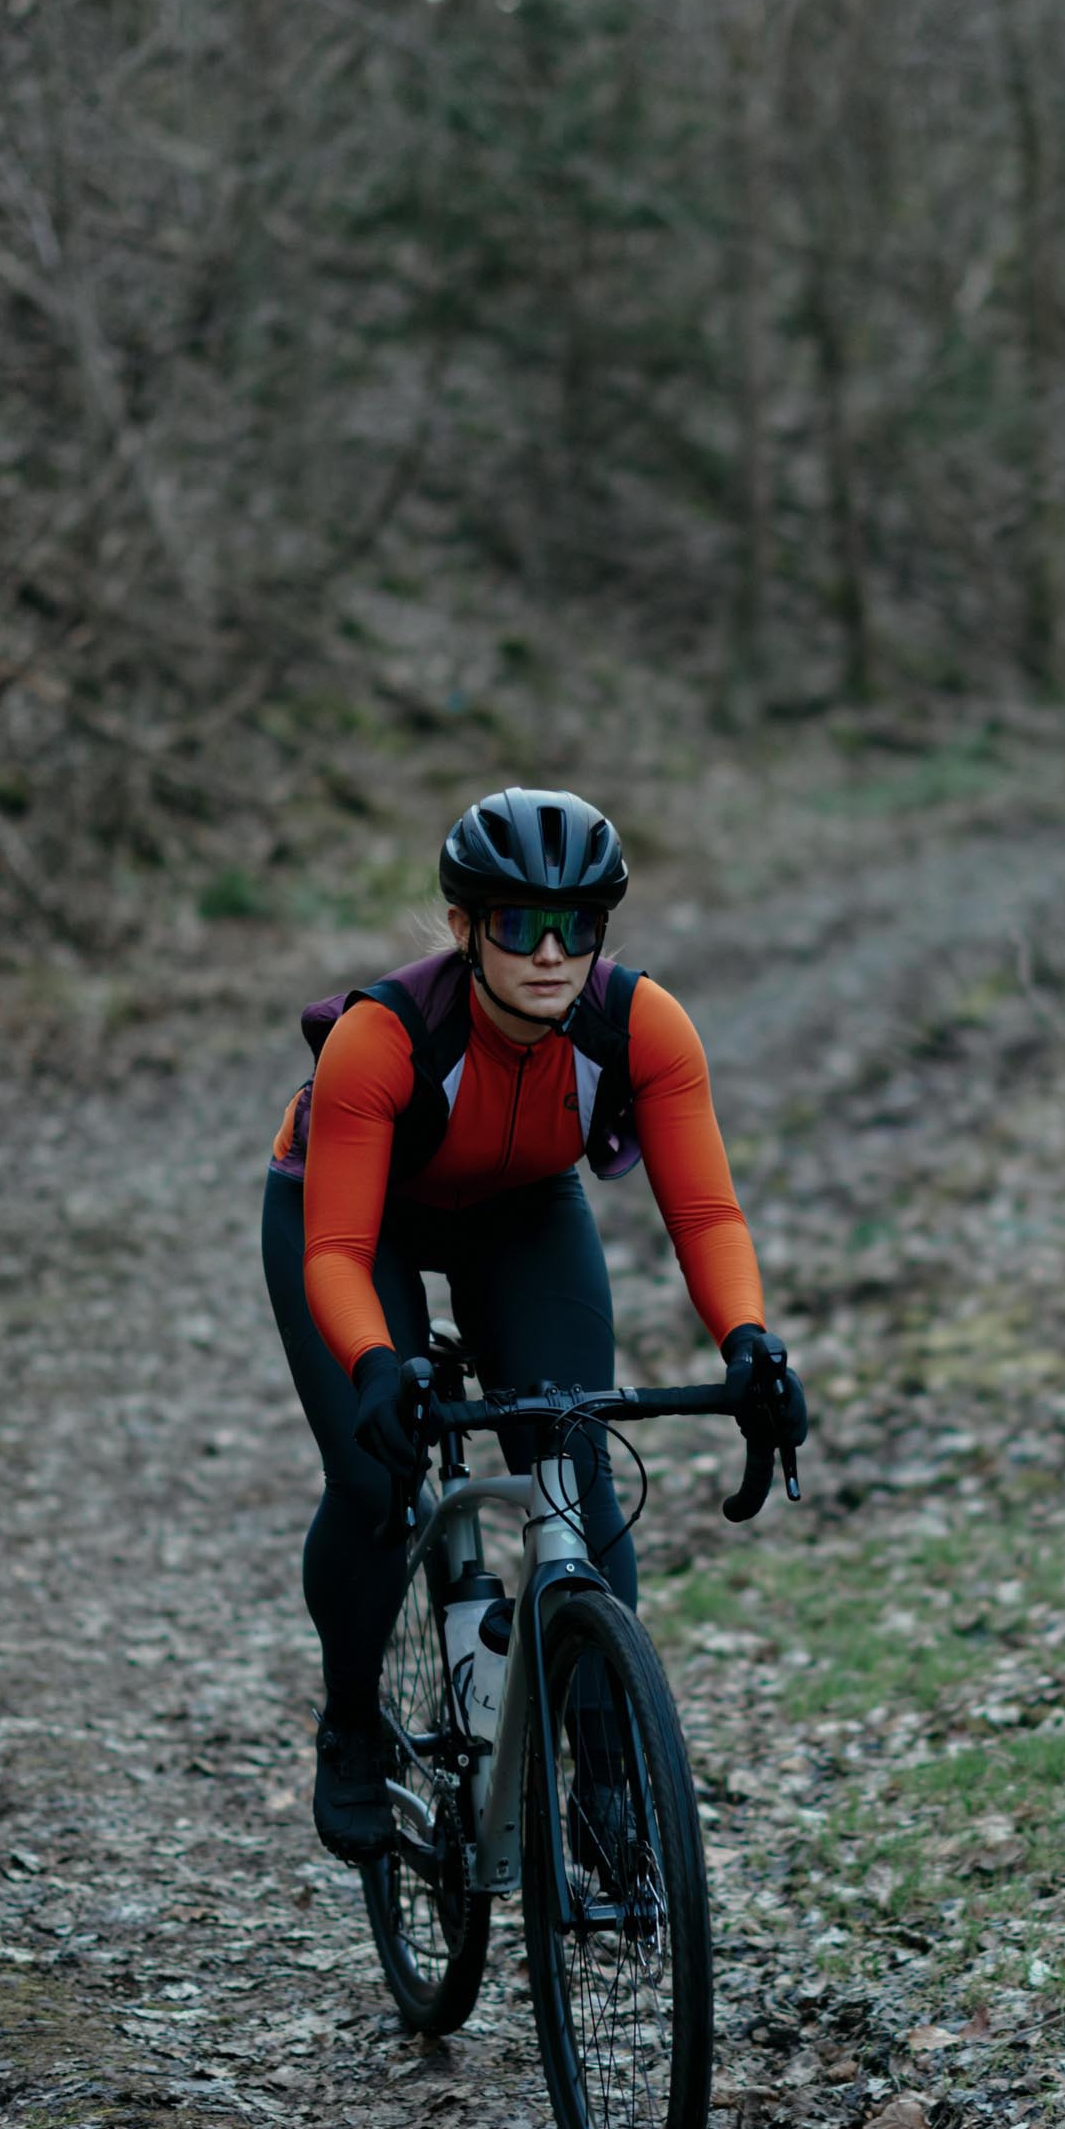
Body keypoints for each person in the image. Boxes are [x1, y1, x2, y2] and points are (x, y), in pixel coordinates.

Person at [260, 787, 814, 1860]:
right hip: (353, 1216)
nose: (551, 953)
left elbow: (705, 1210)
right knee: (376, 1478)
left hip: (519, 1210)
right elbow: (333, 1253)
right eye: (519, 924)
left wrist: (749, 1340)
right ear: (466, 929)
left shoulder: (637, 1025)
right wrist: (377, 1362)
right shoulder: (382, 1040)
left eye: (579, 927)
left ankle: (607, 1774)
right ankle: (348, 1724)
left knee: (575, 1461)